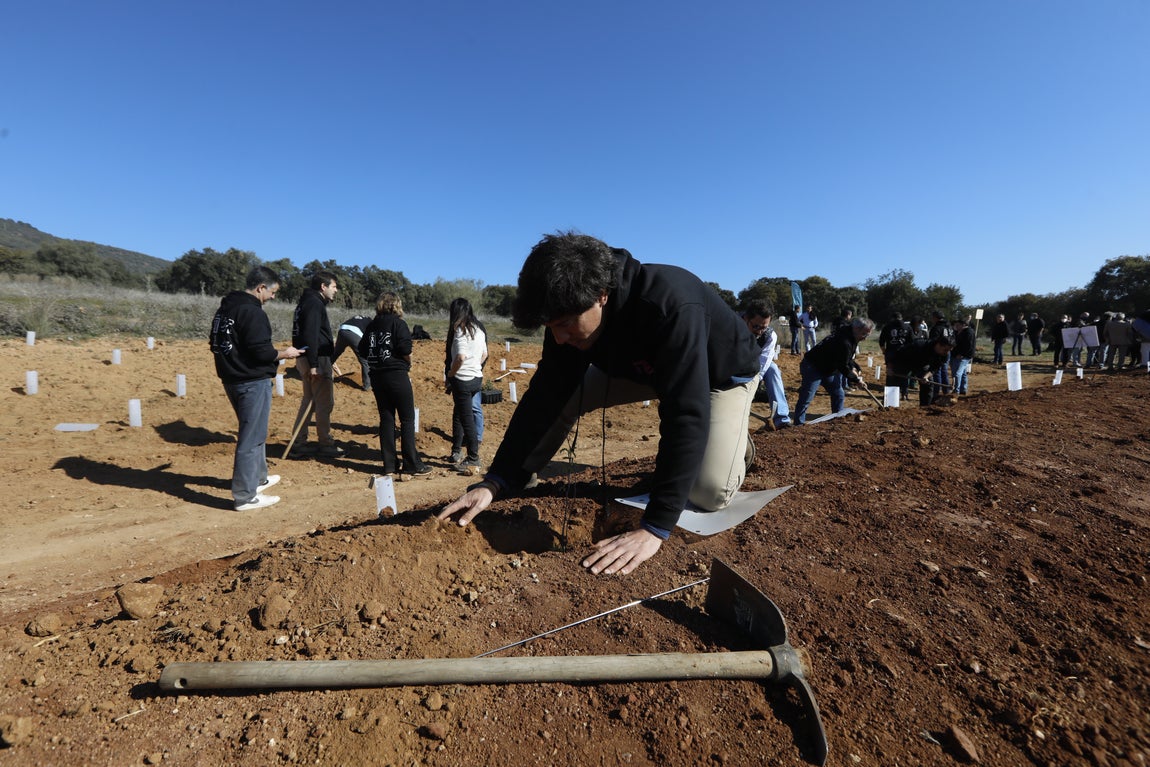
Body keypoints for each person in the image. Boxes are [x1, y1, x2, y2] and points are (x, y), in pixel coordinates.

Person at [438, 232, 760, 577]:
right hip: (643, 368)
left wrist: (655, 526)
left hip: (719, 375)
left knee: (709, 492)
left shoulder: (669, 304)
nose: (559, 337)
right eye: (551, 327)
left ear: (601, 296)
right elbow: (546, 394)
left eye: (564, 325)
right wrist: (495, 480)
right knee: (568, 393)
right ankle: (520, 475)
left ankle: (735, 443)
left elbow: (685, 411)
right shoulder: (569, 307)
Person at [209, 266, 303, 511]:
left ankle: (258, 479)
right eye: (272, 292)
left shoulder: (224, 310)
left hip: (231, 378)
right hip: (251, 381)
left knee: (256, 432)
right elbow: (261, 352)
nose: (273, 297)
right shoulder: (252, 312)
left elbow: (216, 343)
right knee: (251, 438)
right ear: (261, 288)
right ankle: (244, 496)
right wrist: (285, 354)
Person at [359, 292, 430, 476]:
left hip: (377, 376)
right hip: (396, 374)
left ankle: (389, 465)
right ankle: (411, 464)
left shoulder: (372, 325)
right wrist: (409, 362)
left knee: (386, 418)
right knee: (407, 419)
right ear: (396, 305)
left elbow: (362, 350)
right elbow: (405, 348)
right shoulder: (398, 323)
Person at [289, 271, 343, 457]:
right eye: (334, 286)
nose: (336, 291)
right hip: (316, 359)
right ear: (323, 286)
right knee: (324, 403)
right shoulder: (314, 304)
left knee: (309, 401)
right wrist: (314, 364)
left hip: (307, 357)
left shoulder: (306, 302)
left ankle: (298, 442)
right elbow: (311, 334)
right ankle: (326, 443)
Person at [792, 318, 875, 425]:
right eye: (864, 334)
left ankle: (838, 418)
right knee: (807, 396)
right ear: (856, 328)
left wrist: (856, 367)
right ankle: (798, 424)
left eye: (867, 335)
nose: (865, 338)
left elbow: (847, 358)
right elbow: (842, 366)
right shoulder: (844, 340)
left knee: (838, 393)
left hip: (828, 367)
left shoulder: (851, 336)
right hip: (813, 367)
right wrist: (856, 380)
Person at [445, 297, 487, 471]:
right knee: (460, 413)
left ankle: (473, 457)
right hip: (476, 378)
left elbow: (460, 357)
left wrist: (451, 373)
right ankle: (456, 450)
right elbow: (485, 354)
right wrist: (475, 366)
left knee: (466, 418)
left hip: (462, 380)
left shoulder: (460, 331)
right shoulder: (478, 329)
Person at [742, 301, 791, 429]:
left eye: (764, 327)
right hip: (732, 363)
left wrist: (754, 384)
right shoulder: (732, 327)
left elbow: (763, 363)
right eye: (756, 326)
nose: (759, 332)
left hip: (753, 364)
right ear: (746, 319)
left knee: (773, 369)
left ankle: (781, 419)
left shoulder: (769, 336)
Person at [888, 335, 956, 405]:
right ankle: (889, 404)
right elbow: (897, 354)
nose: (947, 352)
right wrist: (890, 368)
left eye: (949, 350)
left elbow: (935, 368)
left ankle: (925, 407)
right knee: (893, 380)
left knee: (928, 382)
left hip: (922, 365)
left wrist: (926, 376)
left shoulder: (945, 355)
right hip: (904, 361)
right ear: (938, 345)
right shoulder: (919, 345)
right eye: (945, 350)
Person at [332, 315, 372, 391]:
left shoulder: (359, 318)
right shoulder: (370, 322)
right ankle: (367, 385)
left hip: (342, 329)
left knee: (335, 354)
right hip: (354, 334)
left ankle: (321, 374)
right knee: (364, 360)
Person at [949, 317, 975, 394]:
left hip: (963, 356)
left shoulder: (969, 332)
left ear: (963, 325)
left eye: (958, 325)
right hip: (956, 354)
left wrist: (962, 355)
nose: (956, 326)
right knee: (963, 373)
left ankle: (956, 390)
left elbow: (969, 346)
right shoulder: (959, 332)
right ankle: (963, 389)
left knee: (957, 373)